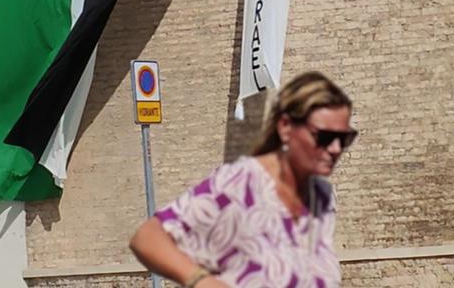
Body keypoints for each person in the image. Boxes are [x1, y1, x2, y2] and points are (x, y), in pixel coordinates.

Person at [129, 72, 355, 288]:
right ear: (286, 127)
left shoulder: (321, 196)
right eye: (325, 137)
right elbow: (148, 238)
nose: (336, 148)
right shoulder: (241, 183)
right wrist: (202, 281)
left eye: (343, 138)